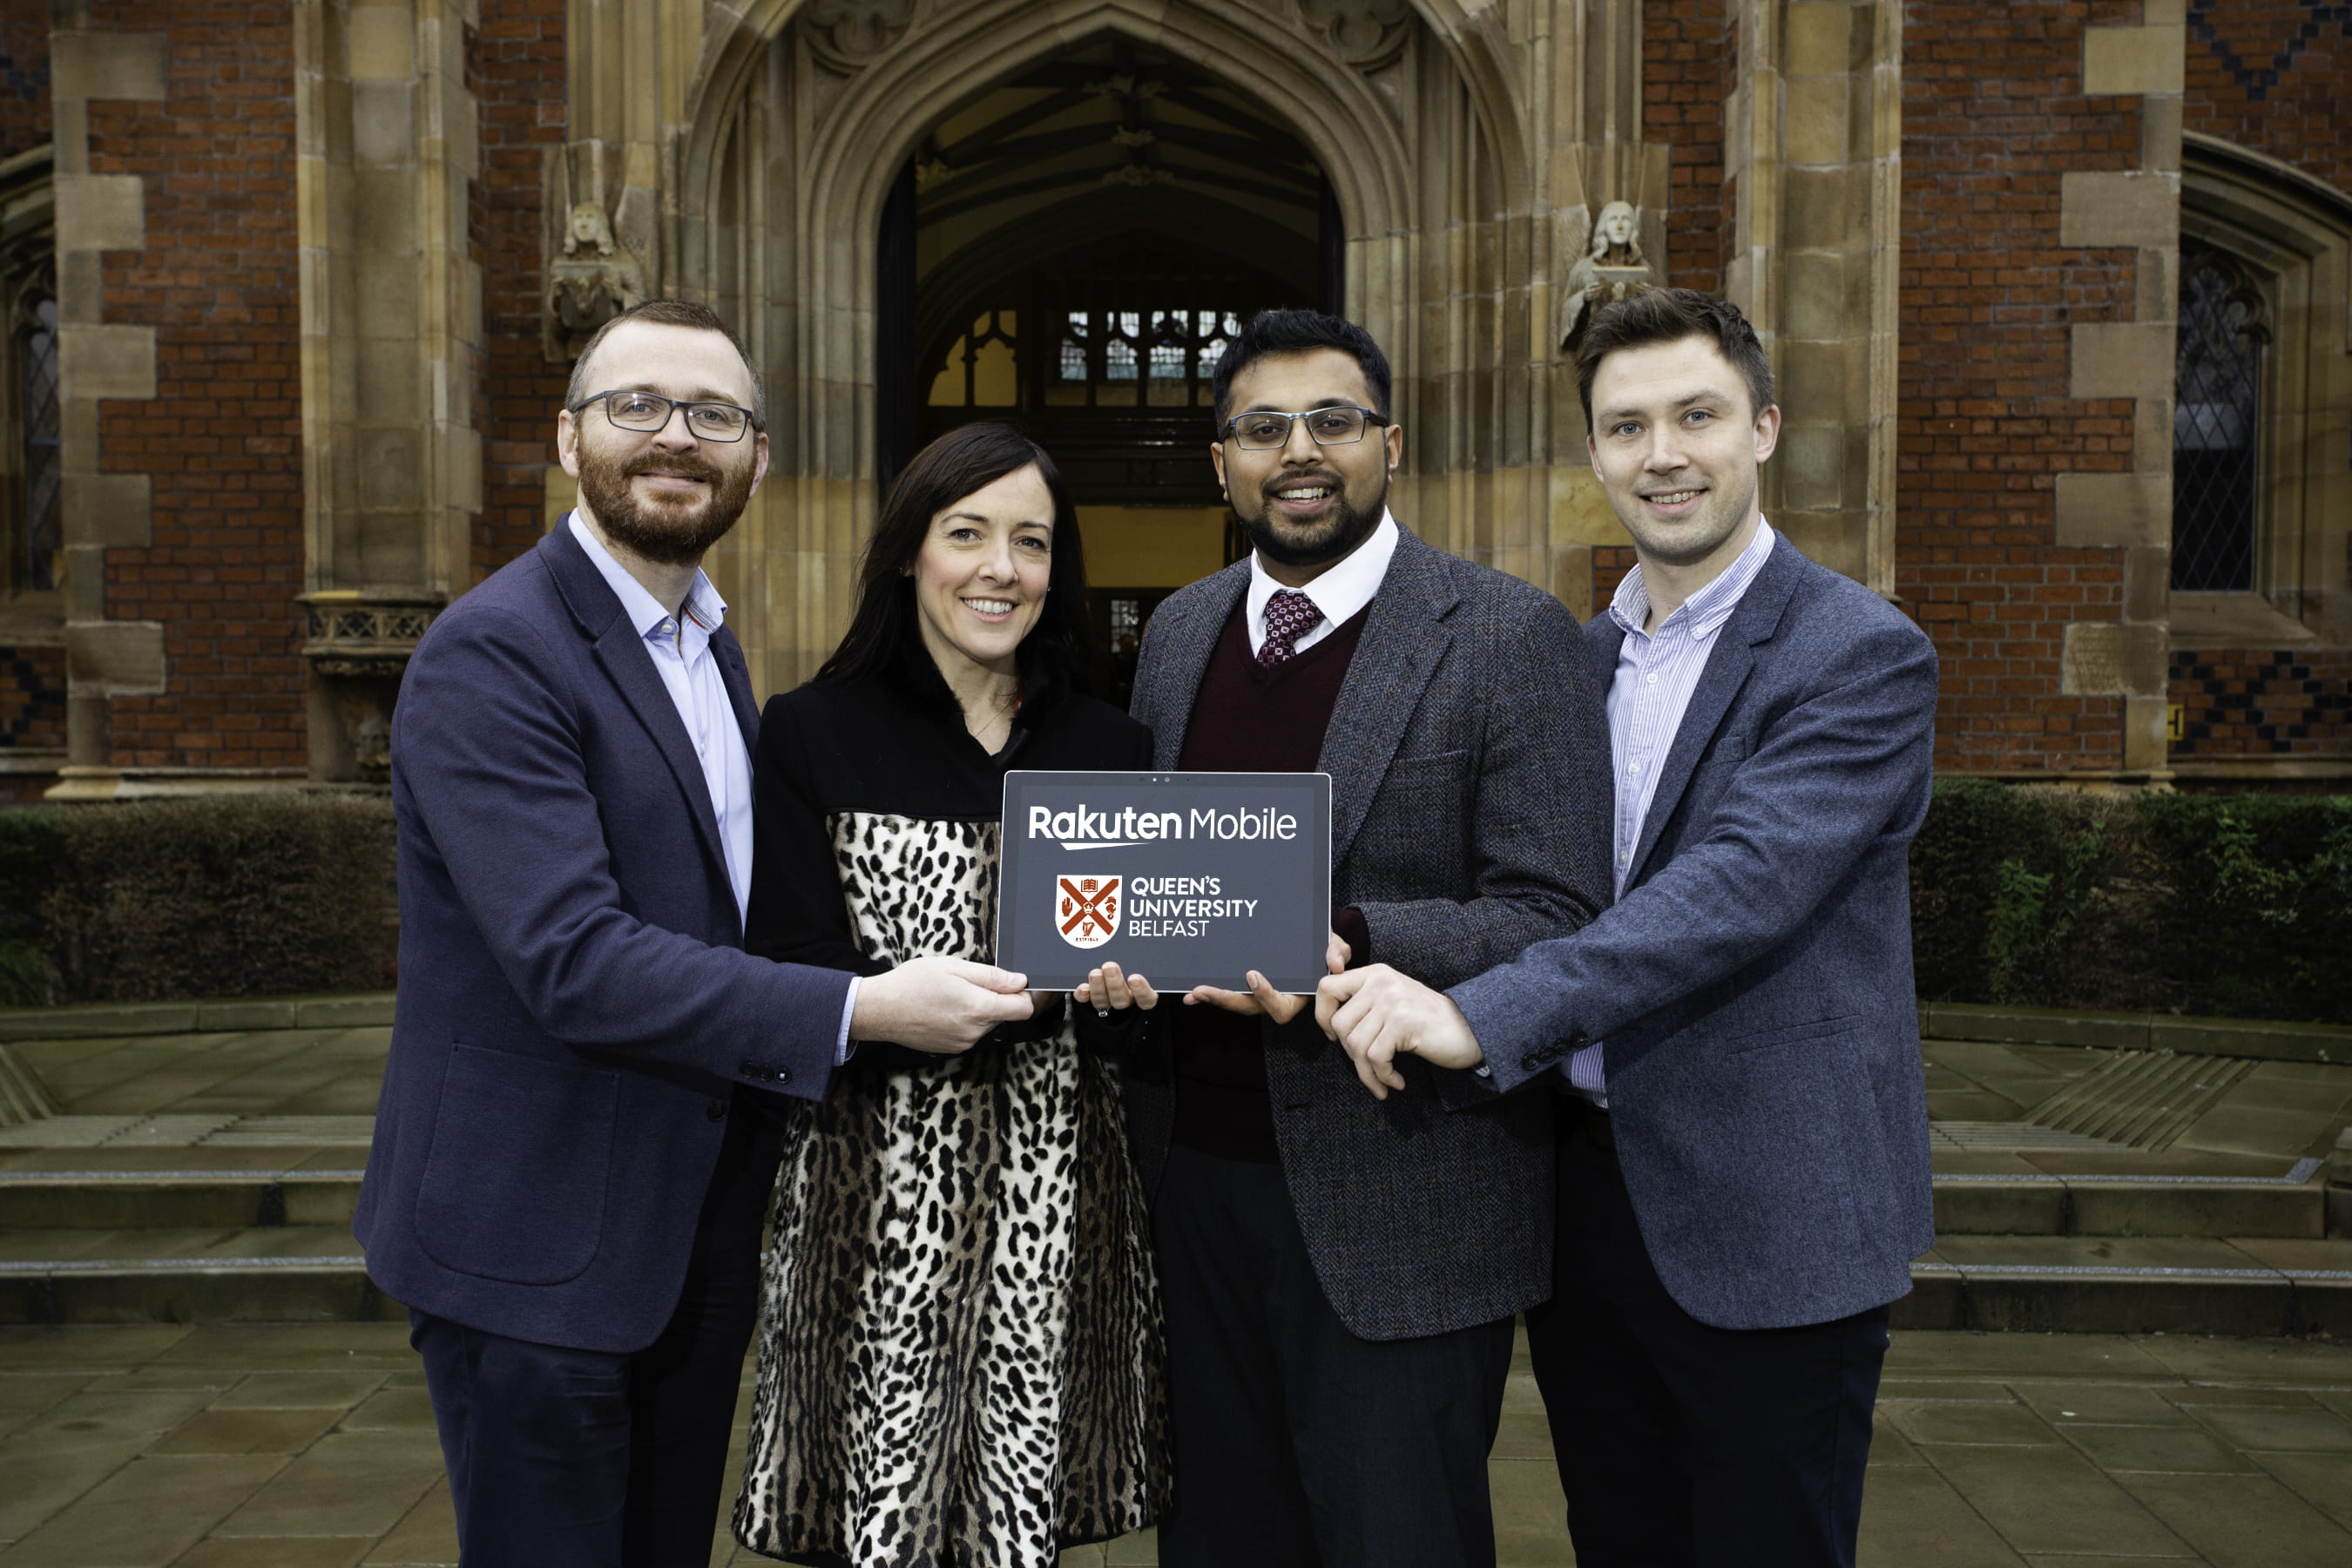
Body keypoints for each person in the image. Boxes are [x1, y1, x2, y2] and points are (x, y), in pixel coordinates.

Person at [355, 300, 1034, 1566]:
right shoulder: (496, 652)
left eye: (713, 415)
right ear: (569, 438)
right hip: (535, 1241)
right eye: (638, 408)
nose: (676, 438)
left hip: (685, 1226)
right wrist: (865, 1008)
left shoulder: (706, 644)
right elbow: (574, 959)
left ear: (756, 457)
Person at [1318, 287, 1939, 1568]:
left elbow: (1730, 892)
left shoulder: (1857, 653)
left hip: (1774, 1217)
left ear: (1763, 428)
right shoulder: (1574, 661)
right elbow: (1532, 896)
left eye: (1696, 416)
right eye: (1626, 427)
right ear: (1594, 453)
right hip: (1590, 1209)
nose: (1663, 455)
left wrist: (1472, 1014)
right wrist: (1343, 934)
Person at [1120, 308, 1613, 1568]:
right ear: (1220, 461)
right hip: (1195, 1185)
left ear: (1391, 444)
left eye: (1332, 421)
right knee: (1218, 1542)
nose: (1300, 450)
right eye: (1263, 426)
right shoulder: (1177, 634)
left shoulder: (1506, 635)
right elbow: (1159, 879)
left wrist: (1335, 936)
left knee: (1394, 1539)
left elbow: (1558, 913)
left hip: (1404, 1190)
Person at [731, 422, 1169, 1567]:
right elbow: (780, 964)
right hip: (869, 1190)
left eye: (1030, 542)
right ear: (909, 556)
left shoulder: (1114, 748)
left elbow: (1138, 977)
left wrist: (1128, 995)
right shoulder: (811, 732)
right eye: (966, 533)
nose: (1000, 568)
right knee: (880, 1520)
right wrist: (884, 1002)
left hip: (1057, 1190)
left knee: (1023, 1521)